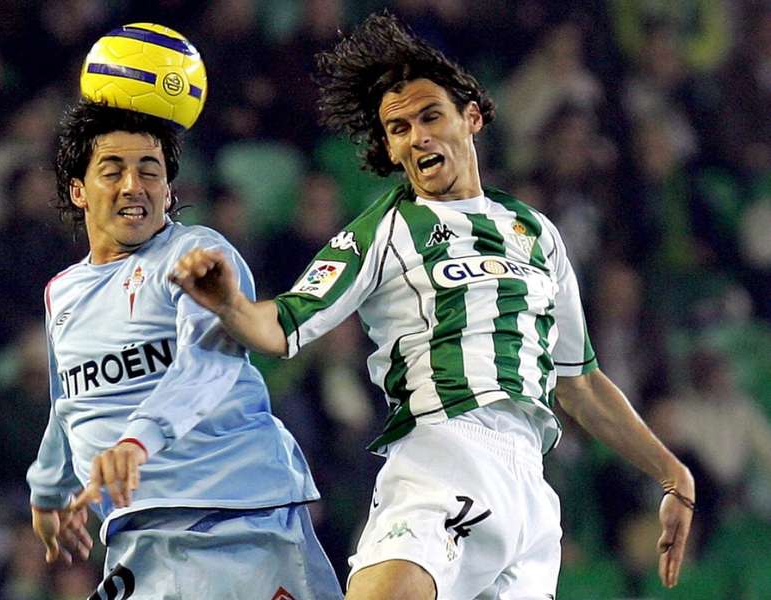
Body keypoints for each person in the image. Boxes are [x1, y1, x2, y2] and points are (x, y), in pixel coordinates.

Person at [171, 12, 696, 600]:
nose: (416, 136)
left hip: (532, 493)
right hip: (444, 454)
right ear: (391, 148)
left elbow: (580, 381)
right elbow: (281, 325)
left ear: (470, 117)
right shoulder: (386, 231)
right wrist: (230, 304)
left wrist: (671, 473)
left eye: (429, 116)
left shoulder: (535, 232)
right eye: (398, 128)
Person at [26, 100, 343, 600]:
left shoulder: (194, 255)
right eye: (113, 171)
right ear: (78, 191)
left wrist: (136, 441)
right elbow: (66, 401)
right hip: (140, 535)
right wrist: (48, 494)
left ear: (168, 190)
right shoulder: (60, 292)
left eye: (149, 171)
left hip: (237, 521)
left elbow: (208, 365)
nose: (134, 185)